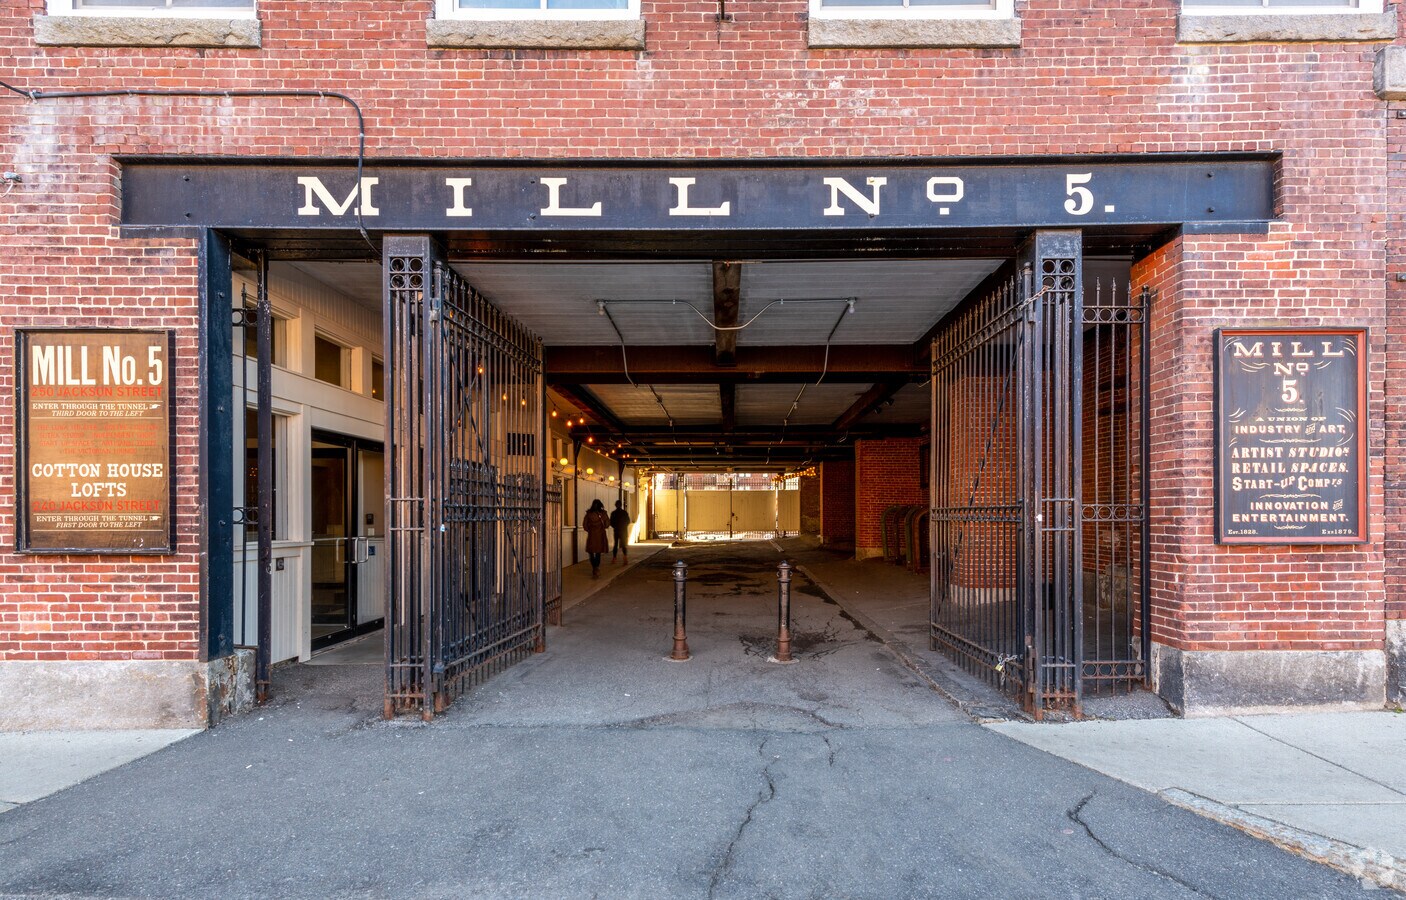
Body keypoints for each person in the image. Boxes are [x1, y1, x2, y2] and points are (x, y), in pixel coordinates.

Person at [582, 498, 610, 579]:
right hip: (600, 535)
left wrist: (591, 530)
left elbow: (585, 525)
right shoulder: (603, 514)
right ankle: (596, 568)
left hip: (592, 536)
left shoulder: (588, 514)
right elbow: (607, 524)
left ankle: (594, 567)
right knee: (598, 553)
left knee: (591, 552)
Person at [610, 499, 631, 564]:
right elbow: (628, 521)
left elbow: (611, 522)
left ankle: (614, 558)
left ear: (615, 505)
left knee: (616, 545)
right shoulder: (624, 513)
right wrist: (623, 526)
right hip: (623, 531)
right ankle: (625, 558)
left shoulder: (613, 513)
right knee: (623, 545)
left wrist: (615, 527)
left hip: (616, 531)